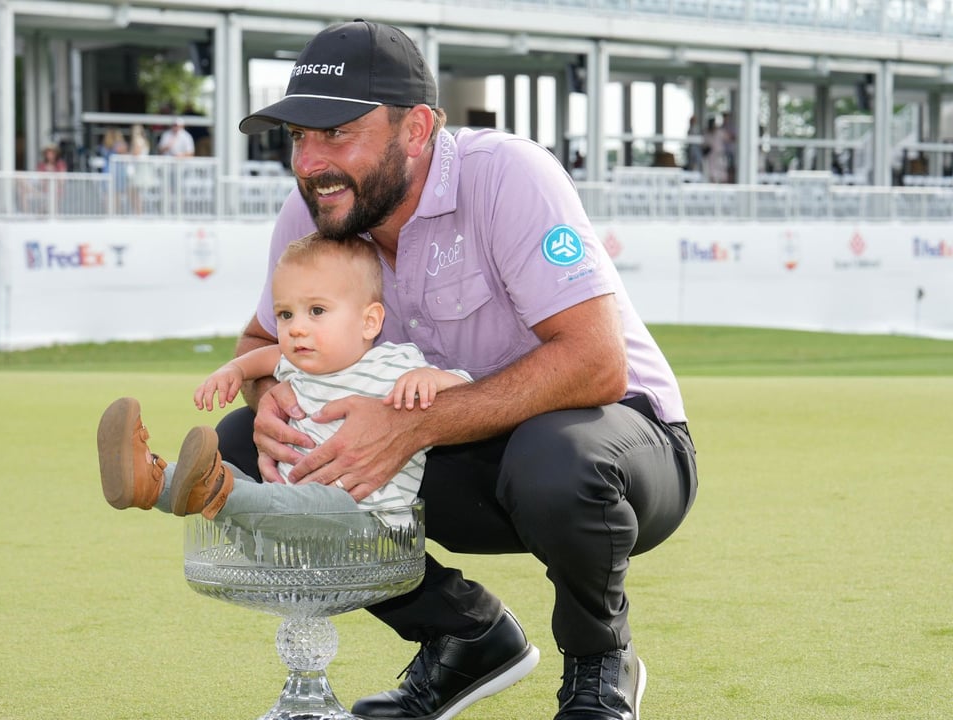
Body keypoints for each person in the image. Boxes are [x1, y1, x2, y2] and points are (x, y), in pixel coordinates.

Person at [224, 19, 698, 720]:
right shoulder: (313, 208)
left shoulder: (508, 174)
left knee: (553, 456)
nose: (308, 162)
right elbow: (259, 339)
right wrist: (270, 398)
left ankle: (601, 660)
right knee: (245, 447)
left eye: (336, 133)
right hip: (448, 458)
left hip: (619, 453)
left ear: (414, 130)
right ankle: (465, 637)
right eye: (299, 136)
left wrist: (409, 427)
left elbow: (596, 364)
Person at [96, 233, 472, 525]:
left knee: (273, 495)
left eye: (317, 310)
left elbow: (464, 389)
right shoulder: (298, 365)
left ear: (369, 321)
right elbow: (265, 356)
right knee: (244, 484)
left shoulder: (394, 363)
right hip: (287, 517)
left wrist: (431, 379)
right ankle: (152, 479)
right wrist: (234, 370)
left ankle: (214, 488)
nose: (296, 329)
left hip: (361, 524)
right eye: (285, 314)